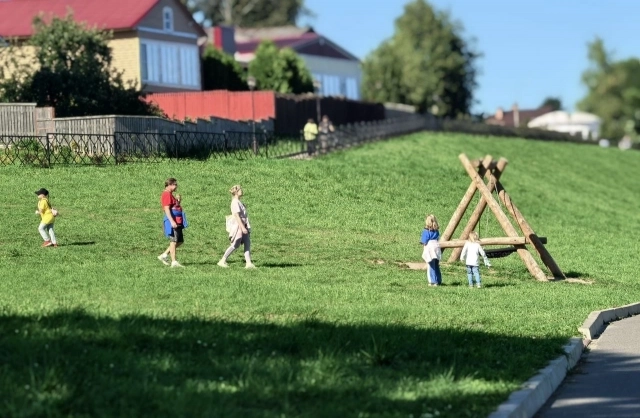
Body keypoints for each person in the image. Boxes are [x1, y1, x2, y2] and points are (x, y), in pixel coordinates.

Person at [218, 185, 255, 269]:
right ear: (236, 192)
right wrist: (242, 228)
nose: (242, 191)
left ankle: (248, 263)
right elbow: (237, 216)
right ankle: (222, 260)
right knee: (235, 245)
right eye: (240, 190)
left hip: (243, 224)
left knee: (247, 243)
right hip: (239, 226)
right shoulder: (235, 202)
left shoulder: (238, 202)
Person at [158, 178, 185, 268]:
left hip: (177, 220)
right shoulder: (166, 194)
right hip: (172, 221)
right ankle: (174, 262)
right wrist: (172, 221)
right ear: (169, 185)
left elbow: (174, 207)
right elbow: (166, 209)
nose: (176, 186)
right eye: (175, 184)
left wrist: (178, 202)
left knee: (179, 241)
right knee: (173, 241)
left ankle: (164, 255)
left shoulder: (170, 195)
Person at [420, 214, 442, 286]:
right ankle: (438, 280)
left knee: (431, 265)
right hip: (437, 247)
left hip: (430, 248)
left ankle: (432, 281)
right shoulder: (436, 231)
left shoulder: (426, 231)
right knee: (436, 265)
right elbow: (438, 238)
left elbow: (424, 241)